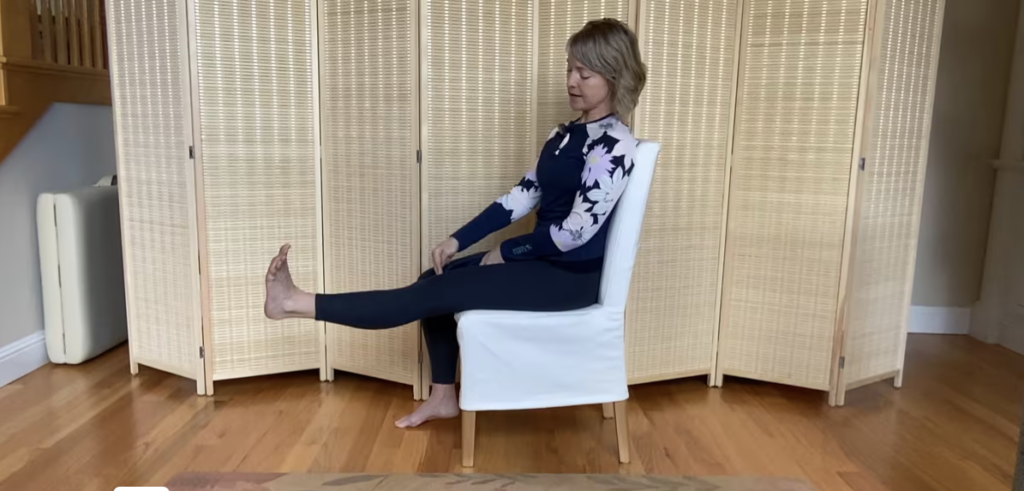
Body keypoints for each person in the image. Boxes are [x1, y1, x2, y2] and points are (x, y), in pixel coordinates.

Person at [263, 18, 647, 428]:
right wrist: (457, 240)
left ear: (612, 74)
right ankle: (444, 396)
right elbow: (520, 197)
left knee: (435, 292)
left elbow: (574, 234)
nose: (571, 80)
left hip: (568, 277)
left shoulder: (613, 144)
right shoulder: (564, 135)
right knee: (435, 273)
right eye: (569, 68)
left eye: (583, 73)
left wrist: (507, 250)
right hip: (544, 262)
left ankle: (294, 303)